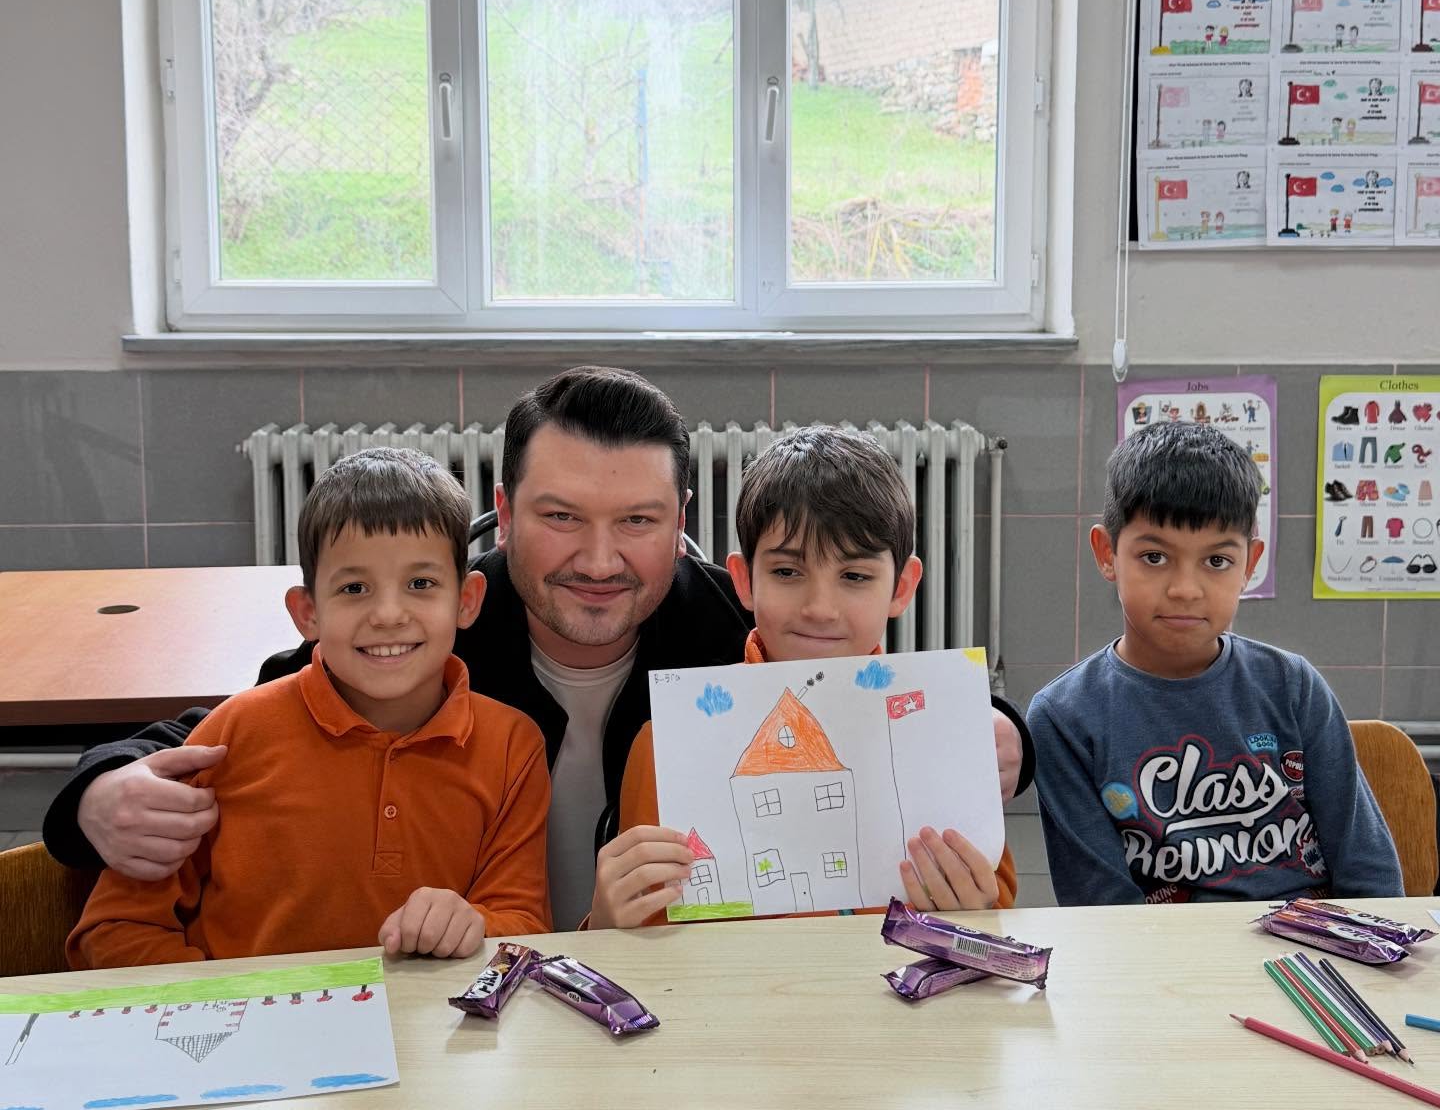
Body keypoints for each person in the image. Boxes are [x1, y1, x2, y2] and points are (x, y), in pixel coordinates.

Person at [44, 368, 1033, 931]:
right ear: (506, 513)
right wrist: (96, 792)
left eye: (637, 521)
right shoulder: (432, 625)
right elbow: (233, 725)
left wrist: (1007, 737)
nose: (600, 561)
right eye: (561, 518)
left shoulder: (721, 625)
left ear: (681, 522)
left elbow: (870, 697)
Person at [67, 448, 551, 966]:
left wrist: (474, 925)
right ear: (307, 613)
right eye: (354, 588)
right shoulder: (232, 737)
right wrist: (223, 1004)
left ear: (467, 600)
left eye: (420, 584)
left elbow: (525, 926)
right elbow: (116, 930)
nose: (389, 614)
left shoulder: (512, 746)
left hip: (426, 1019)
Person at [590, 426, 1018, 929]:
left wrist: (977, 913)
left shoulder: (942, 740)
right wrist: (606, 923)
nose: (820, 608)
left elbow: (996, 910)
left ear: (901, 588)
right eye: (788, 572)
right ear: (745, 580)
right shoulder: (665, 746)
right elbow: (644, 932)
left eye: (854, 576)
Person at [1026, 422, 1401, 906]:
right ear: (1107, 554)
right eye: (1154, 557)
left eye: (1217, 561)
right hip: (1154, 949)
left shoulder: (1292, 685)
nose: (1185, 589)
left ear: (1250, 564)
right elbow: (1101, 907)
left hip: (1310, 939)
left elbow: (1369, 872)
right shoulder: (1063, 718)